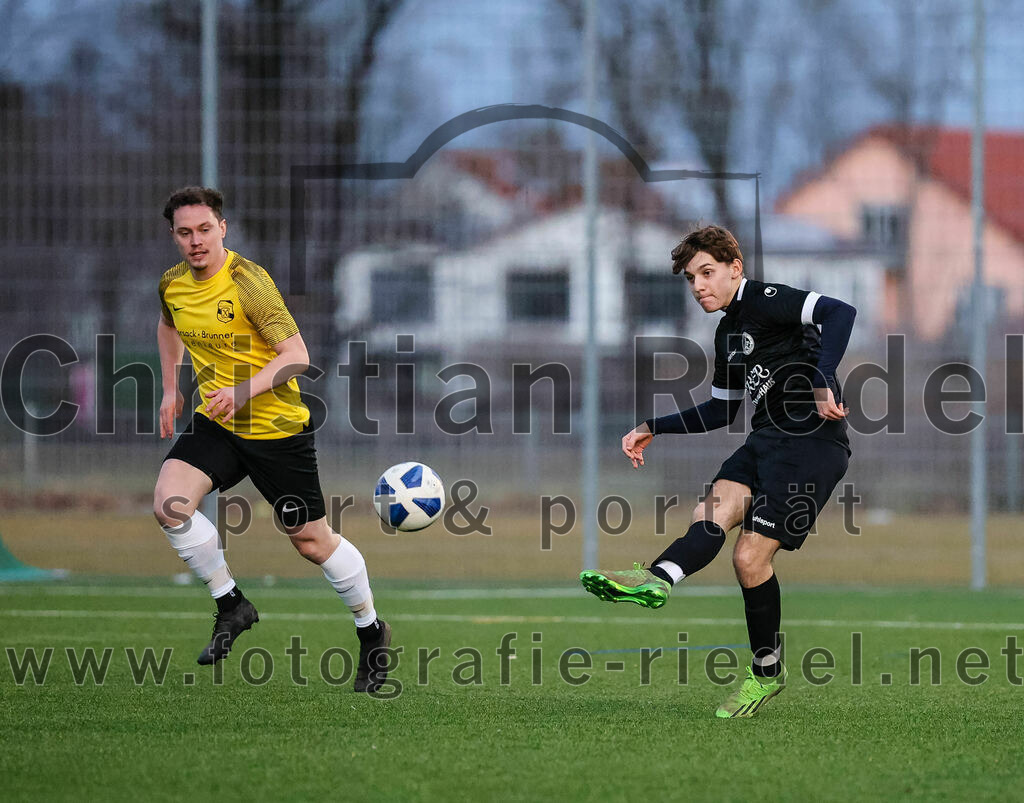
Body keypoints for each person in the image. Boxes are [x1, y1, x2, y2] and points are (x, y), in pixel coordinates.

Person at [580, 225, 856, 718]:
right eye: (690, 278)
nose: (698, 286)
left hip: (812, 446)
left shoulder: (767, 299)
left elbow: (841, 312)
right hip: (765, 441)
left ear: (735, 268)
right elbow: (720, 411)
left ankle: (766, 671)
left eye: (707, 273)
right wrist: (653, 426)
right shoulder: (727, 333)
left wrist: (822, 377)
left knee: (749, 559)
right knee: (708, 514)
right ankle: (658, 579)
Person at [154, 186, 391, 692]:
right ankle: (231, 605)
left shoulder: (249, 283)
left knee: (311, 542)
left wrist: (243, 390)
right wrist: (172, 388)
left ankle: (372, 633)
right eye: (184, 232)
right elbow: (168, 324)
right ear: (173, 236)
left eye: (204, 230)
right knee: (169, 505)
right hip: (218, 423)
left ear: (223, 228)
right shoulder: (172, 285)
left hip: (277, 430)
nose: (195, 241)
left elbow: (297, 355)